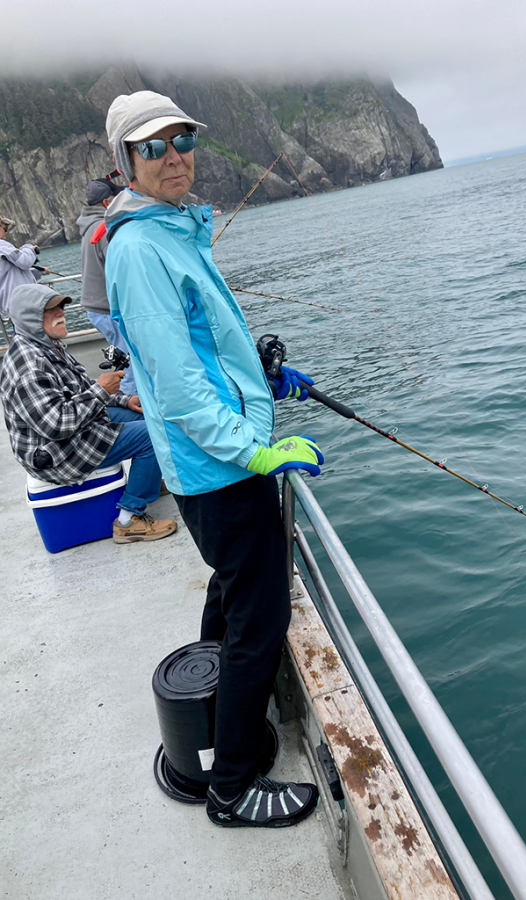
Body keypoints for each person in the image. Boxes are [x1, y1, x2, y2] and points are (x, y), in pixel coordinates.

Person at [104, 90, 325, 828]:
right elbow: (178, 387)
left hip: (219, 463)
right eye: (152, 147)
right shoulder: (140, 248)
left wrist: (262, 381)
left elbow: (205, 347)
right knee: (259, 621)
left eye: (182, 139)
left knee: (233, 594)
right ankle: (230, 787)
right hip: (218, 468)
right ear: (124, 162)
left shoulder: (172, 229)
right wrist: (256, 451)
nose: (173, 156)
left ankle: (207, 713)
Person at [0, 282, 177, 544]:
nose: (61, 312)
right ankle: (129, 520)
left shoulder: (47, 344)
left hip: (74, 431)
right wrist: (103, 392)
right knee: (153, 434)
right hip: (55, 452)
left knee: (148, 417)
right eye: (51, 310)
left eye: (61, 306)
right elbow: (56, 424)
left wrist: (124, 400)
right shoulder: (29, 364)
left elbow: (81, 390)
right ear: (31, 318)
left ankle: (148, 479)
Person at [76, 176, 137, 395]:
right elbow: (122, 272)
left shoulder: (89, 226)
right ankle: (133, 407)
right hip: (107, 309)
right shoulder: (104, 230)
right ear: (106, 203)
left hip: (97, 308)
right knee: (129, 362)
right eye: (117, 197)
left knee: (124, 357)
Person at [0, 214, 50, 317]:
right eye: (5, 228)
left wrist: (40, 271)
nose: (6, 231)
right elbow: (24, 261)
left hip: (13, 306)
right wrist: (29, 248)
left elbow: (12, 274)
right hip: (22, 304)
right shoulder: (2, 245)